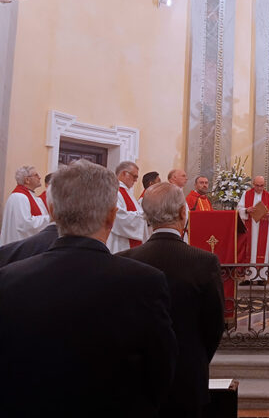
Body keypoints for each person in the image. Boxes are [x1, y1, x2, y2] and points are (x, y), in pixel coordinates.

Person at [0, 159, 177, 416]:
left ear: (52, 210)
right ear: (111, 215)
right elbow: (161, 368)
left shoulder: (7, 279)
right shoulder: (144, 282)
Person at [119, 182, 224, 417]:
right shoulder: (204, 261)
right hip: (187, 375)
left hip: (136, 378)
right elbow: (214, 325)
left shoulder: (122, 260)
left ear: (146, 216)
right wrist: (195, 358)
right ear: (182, 212)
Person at [237, 176, 269, 283]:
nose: (259, 188)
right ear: (253, 185)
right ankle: (247, 278)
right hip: (250, 227)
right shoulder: (246, 195)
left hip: (263, 226)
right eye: (257, 186)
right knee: (249, 251)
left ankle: (261, 278)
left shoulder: (268, 196)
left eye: (262, 186)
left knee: (261, 252)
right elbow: (239, 209)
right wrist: (247, 210)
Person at [0, 165, 50, 245]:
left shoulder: (31, 195)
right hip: (19, 246)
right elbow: (25, 225)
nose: (40, 177)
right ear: (27, 180)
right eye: (36, 175)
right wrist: (51, 218)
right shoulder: (19, 197)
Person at [106, 161, 147, 253]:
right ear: (125, 173)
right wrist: (144, 217)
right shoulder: (114, 191)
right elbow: (118, 216)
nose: (136, 180)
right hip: (120, 242)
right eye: (135, 176)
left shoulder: (127, 192)